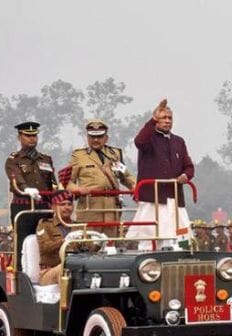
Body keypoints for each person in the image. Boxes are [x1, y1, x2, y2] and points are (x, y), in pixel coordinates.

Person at [126, 99, 195, 250]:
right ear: (156, 120)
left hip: (175, 199)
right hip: (153, 199)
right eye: (163, 118)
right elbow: (139, 141)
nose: (167, 121)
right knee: (150, 239)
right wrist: (153, 119)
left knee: (181, 239)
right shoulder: (148, 139)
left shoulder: (179, 142)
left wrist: (185, 176)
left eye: (170, 118)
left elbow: (189, 167)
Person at [66, 119, 136, 237]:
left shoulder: (114, 154)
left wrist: (136, 186)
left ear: (106, 138)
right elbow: (67, 183)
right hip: (90, 208)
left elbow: (126, 176)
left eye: (99, 136)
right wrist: (80, 190)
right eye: (92, 137)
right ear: (87, 138)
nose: (96, 140)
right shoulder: (79, 156)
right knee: (89, 245)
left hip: (111, 209)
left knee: (110, 246)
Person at [5, 122, 57, 227]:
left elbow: (53, 184)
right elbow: (17, 179)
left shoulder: (46, 159)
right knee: (23, 241)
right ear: (19, 137)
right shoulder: (14, 160)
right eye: (28, 135)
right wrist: (26, 189)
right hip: (23, 206)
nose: (32, 138)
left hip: (44, 206)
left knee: (45, 239)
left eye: (34, 135)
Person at [36, 191, 76, 286]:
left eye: (69, 204)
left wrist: (99, 243)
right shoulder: (45, 225)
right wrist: (63, 242)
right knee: (63, 269)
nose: (67, 208)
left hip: (75, 267)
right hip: (49, 272)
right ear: (53, 207)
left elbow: (88, 247)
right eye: (62, 204)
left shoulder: (77, 226)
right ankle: (66, 301)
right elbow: (44, 247)